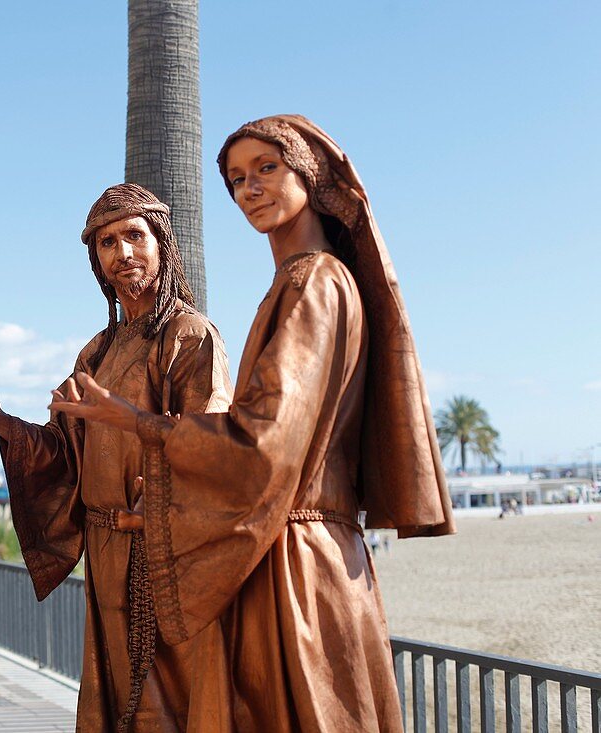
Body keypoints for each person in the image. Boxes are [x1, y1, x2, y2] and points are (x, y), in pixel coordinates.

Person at [51, 115, 455, 731]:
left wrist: (139, 424)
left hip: (300, 563)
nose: (249, 189)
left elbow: (261, 444)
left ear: (309, 174)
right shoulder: (295, 281)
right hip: (283, 551)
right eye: (237, 178)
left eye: (267, 168)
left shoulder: (313, 282)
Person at [0, 183, 233, 730]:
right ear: (96, 261)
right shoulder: (95, 352)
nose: (122, 253)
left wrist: (152, 514)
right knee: (115, 702)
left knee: (169, 703)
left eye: (133, 236)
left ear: (160, 244)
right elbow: (62, 451)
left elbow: (211, 444)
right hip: (105, 555)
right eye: (106, 243)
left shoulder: (189, 336)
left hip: (163, 554)